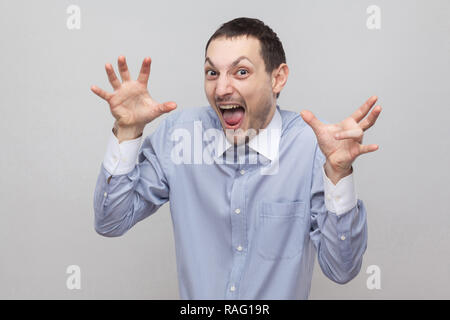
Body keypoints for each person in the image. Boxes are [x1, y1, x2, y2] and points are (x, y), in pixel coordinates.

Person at [91, 17, 381, 299]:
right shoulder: (178, 136)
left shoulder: (311, 147)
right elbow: (111, 221)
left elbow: (342, 269)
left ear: (277, 78)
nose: (221, 89)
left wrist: (339, 175)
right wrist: (128, 131)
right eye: (212, 73)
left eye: (241, 72)